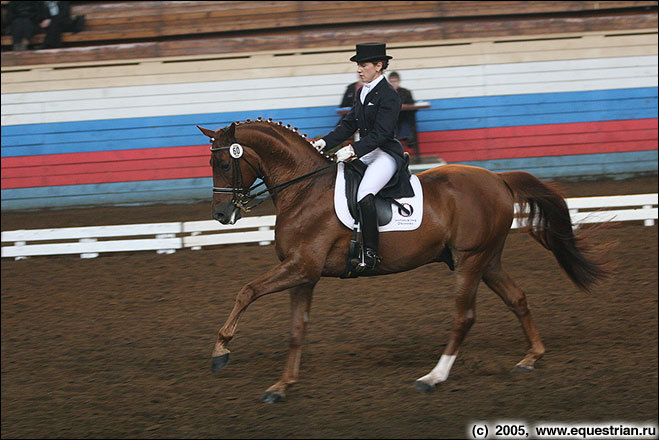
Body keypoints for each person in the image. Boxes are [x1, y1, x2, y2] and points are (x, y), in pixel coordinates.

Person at [312, 42, 414, 272]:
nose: (359, 69)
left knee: (364, 194)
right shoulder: (362, 91)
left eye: (363, 64)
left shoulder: (390, 95)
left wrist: (353, 150)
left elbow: (381, 134)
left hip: (384, 154)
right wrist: (324, 142)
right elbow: (349, 124)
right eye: (358, 65)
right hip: (367, 152)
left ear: (379, 65)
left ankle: (370, 252)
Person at [388, 71, 419, 156]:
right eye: (391, 81)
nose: (393, 83)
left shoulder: (405, 92)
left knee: (405, 120)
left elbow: (411, 104)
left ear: (398, 81)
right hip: (392, 119)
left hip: (404, 116)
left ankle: (407, 138)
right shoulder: (386, 93)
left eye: (395, 81)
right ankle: (403, 138)